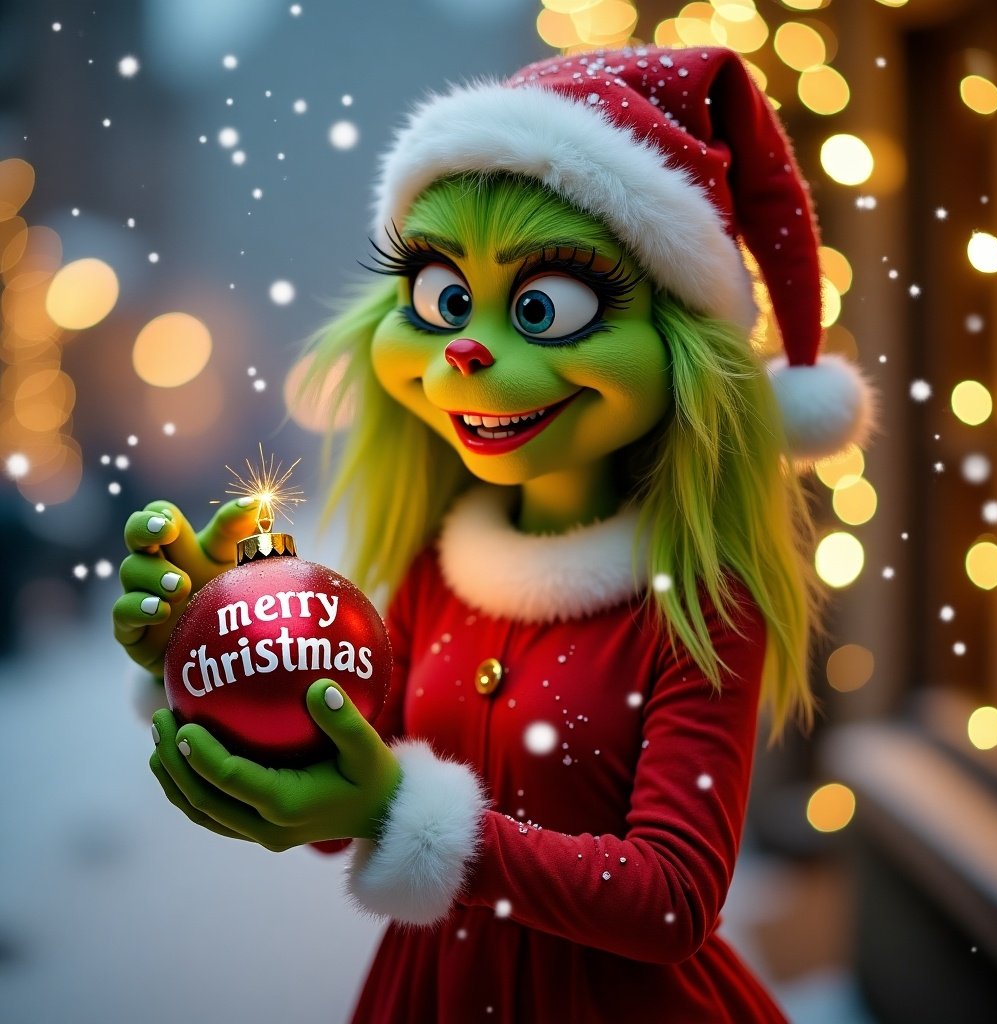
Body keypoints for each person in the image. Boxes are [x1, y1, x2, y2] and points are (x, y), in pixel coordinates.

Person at [115, 46, 872, 1022]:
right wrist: (218, 649)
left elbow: (675, 899)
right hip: (430, 991)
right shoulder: (440, 568)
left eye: (543, 305)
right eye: (439, 298)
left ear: (682, 344)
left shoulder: (698, 599)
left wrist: (407, 817)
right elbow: (347, 791)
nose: (467, 354)